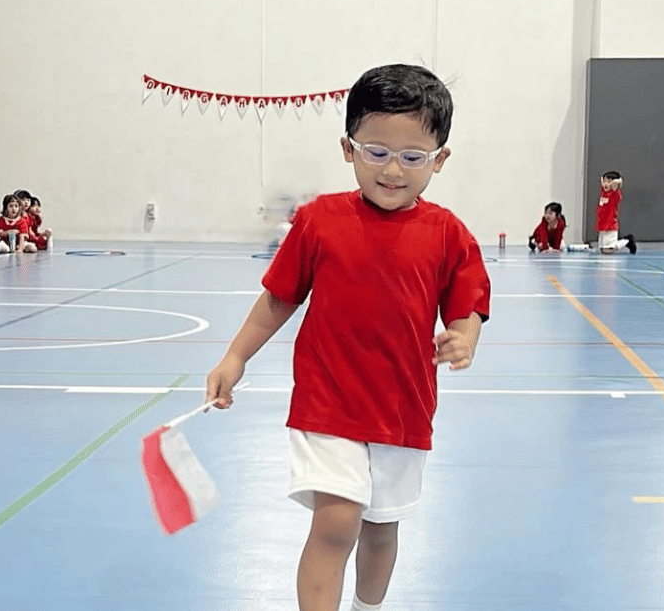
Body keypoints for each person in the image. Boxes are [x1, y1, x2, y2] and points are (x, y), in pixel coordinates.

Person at [205, 64, 491, 611]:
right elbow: (280, 297)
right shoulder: (320, 221)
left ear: (440, 159)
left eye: (413, 157)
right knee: (336, 521)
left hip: (403, 409)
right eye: (375, 151)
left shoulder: (449, 233)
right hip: (328, 401)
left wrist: (464, 334)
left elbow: (468, 304)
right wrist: (235, 357)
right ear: (348, 148)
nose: (392, 170)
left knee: (382, 529)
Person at [596, 171, 636, 254]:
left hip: (610, 225)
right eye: (605, 181)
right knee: (602, 250)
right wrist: (605, 181)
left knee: (608, 250)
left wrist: (615, 182)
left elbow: (618, 183)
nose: (606, 183)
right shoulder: (604, 192)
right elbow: (602, 181)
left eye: (609, 181)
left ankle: (627, 241)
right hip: (602, 225)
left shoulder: (615, 194)